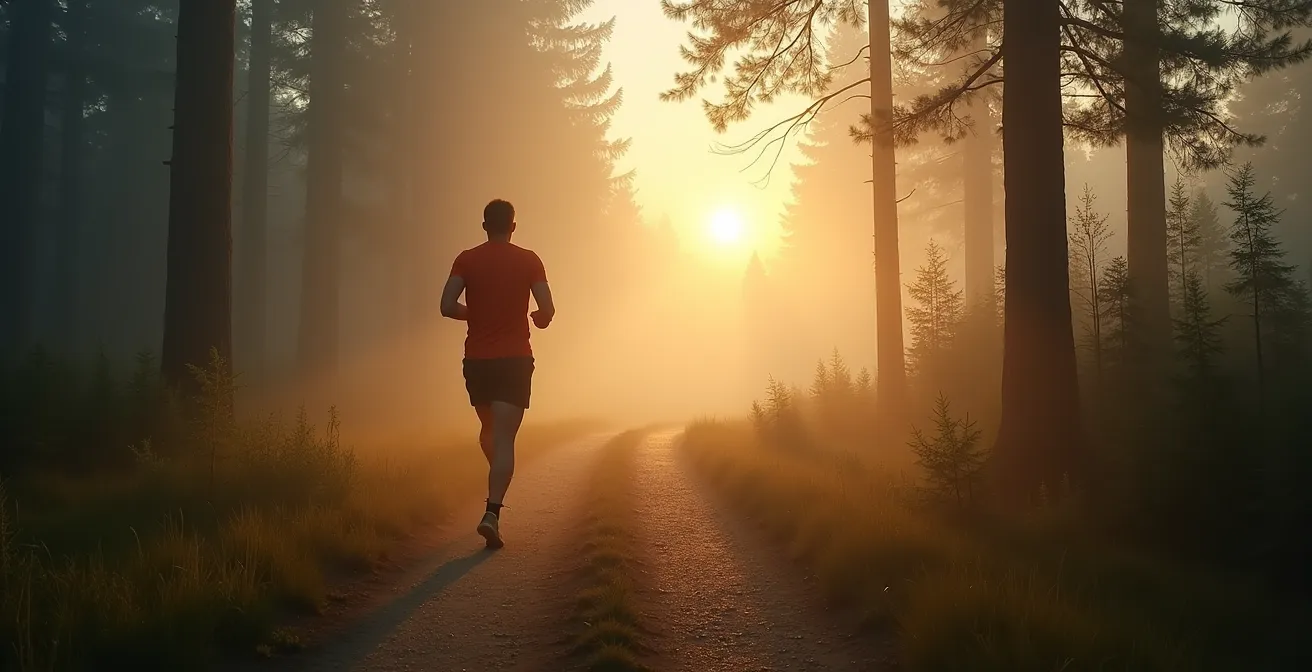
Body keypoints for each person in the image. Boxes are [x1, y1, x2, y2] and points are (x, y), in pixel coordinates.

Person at [440, 199, 554, 549]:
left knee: (489, 432)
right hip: (515, 360)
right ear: (513, 226)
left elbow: (446, 306)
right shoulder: (530, 260)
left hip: (477, 362)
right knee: (503, 439)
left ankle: (496, 485)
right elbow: (547, 308)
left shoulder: (466, 259)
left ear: (484, 225)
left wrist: (473, 315)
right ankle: (492, 511)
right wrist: (540, 318)